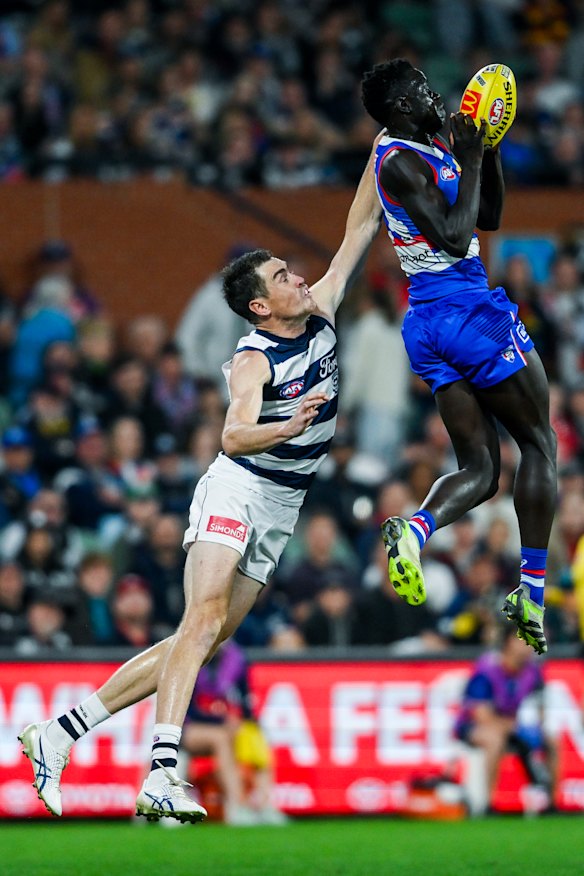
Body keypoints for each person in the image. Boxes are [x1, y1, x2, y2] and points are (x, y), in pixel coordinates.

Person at [19, 133, 382, 824]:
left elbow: (360, 224)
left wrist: (384, 144)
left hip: (283, 504)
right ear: (259, 307)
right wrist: (289, 424)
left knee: (203, 637)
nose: (298, 278)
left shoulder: (323, 308)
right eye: (282, 277)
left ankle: (59, 733)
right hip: (237, 485)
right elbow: (233, 435)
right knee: (204, 617)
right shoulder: (253, 360)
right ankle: (161, 772)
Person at [360, 59, 557, 655]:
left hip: (430, 324)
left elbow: (486, 218)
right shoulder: (397, 161)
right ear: (401, 106)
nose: (435, 94)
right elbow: (451, 237)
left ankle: (415, 530)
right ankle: (532, 592)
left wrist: (486, 150)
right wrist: (469, 158)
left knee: (483, 470)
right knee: (539, 443)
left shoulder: (431, 144)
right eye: (422, 89)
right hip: (466, 311)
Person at [453, 624, 557, 814]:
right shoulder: (487, 669)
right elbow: (480, 714)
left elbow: (540, 707)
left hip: (513, 726)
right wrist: (513, 726)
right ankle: (488, 803)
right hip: (474, 726)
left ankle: (550, 802)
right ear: (510, 642)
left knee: (552, 740)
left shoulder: (533, 671)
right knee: (495, 739)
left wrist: (533, 725)